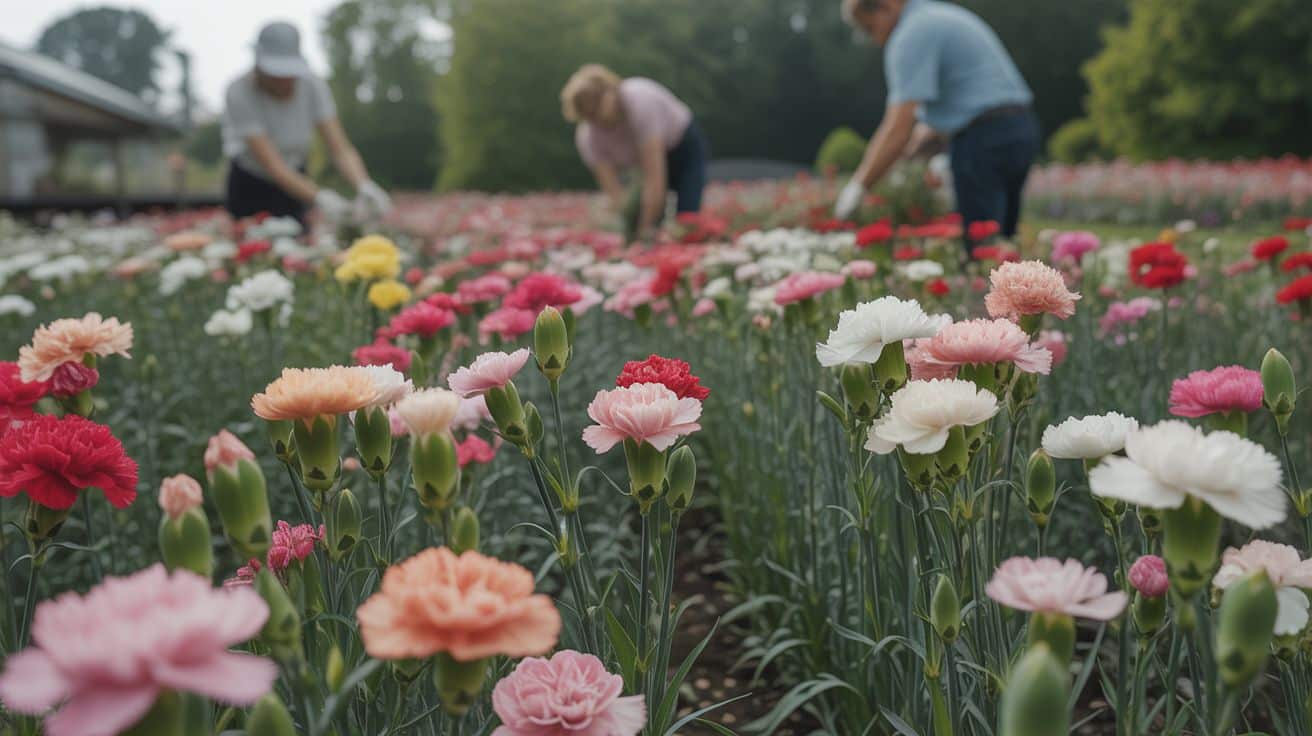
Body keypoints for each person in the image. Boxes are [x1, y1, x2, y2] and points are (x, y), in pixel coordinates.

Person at [835, 0, 1039, 255]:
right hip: (1020, 127)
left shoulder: (910, 34)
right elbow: (963, 98)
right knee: (1006, 243)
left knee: (983, 250)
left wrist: (859, 186)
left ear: (884, 7)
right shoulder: (936, 15)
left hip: (983, 139)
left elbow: (898, 128)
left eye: (869, 28)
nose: (875, 39)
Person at [222, 21, 391, 225]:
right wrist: (321, 197)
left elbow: (340, 148)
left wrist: (363, 184)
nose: (282, 81)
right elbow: (272, 164)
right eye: (274, 74)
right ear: (258, 65)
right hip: (251, 182)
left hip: (297, 178)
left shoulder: (313, 86)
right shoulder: (239, 91)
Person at [561, 65, 709, 241]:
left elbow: (655, 181)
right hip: (642, 165)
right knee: (638, 215)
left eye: (595, 109)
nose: (595, 120)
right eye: (588, 116)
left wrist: (644, 231)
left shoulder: (640, 102)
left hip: (682, 147)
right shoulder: (588, 138)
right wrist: (632, 227)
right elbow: (615, 193)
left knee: (686, 215)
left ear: (610, 92)